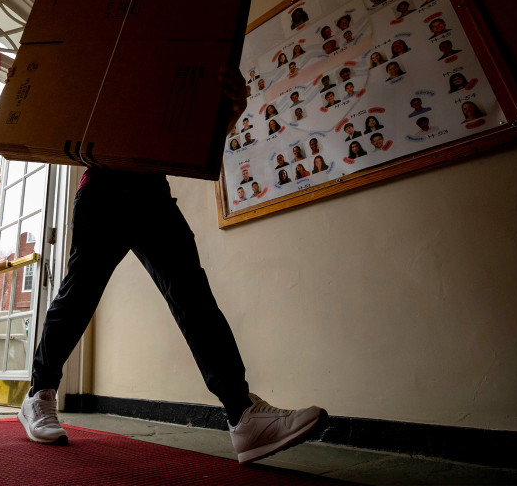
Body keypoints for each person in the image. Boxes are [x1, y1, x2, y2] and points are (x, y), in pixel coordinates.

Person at [16, 67, 324, 464]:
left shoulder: (175, 70)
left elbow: (191, 146)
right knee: (80, 293)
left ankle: (242, 415)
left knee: (192, 295)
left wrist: (230, 114)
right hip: (102, 189)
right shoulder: (113, 61)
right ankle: (40, 392)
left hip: (152, 194)